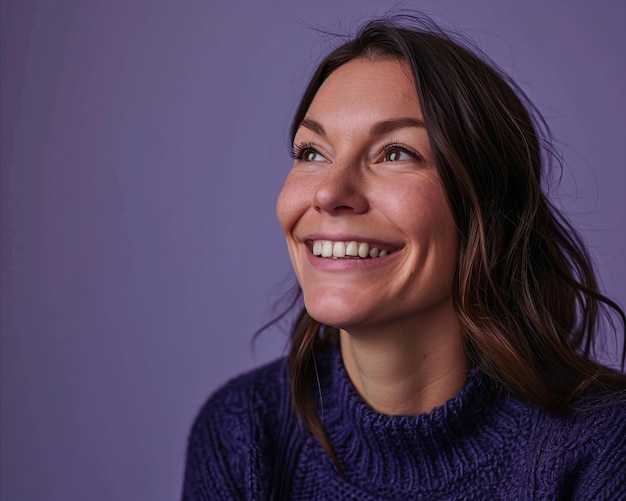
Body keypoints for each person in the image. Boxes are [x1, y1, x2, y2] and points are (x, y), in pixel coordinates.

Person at [182, 14, 626, 500]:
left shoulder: (603, 445)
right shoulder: (242, 434)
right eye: (312, 152)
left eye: (395, 153)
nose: (330, 193)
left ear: (486, 209)